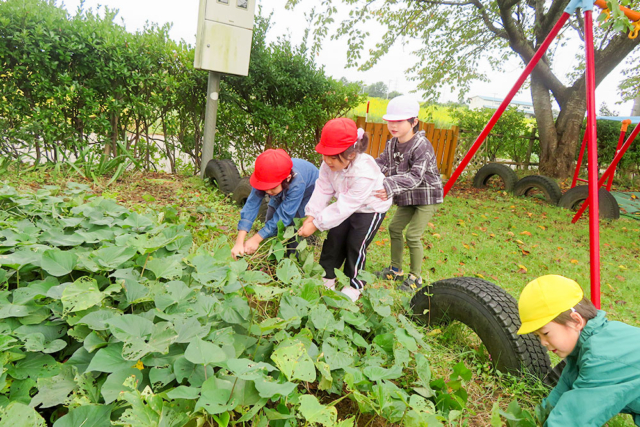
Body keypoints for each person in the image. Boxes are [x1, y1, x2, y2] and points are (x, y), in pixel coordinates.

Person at [517, 275, 640, 426]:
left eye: (546, 333)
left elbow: (574, 418)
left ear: (576, 321)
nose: (543, 342)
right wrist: (535, 418)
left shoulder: (601, 358)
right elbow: (563, 391)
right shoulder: (586, 348)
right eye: (538, 336)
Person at [298, 118, 392, 302]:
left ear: (351, 154)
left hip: (370, 208)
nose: (327, 161)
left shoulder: (364, 171)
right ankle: (327, 276)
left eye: (333, 157)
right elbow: (323, 189)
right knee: (334, 238)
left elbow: (347, 205)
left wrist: (317, 224)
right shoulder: (328, 165)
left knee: (355, 244)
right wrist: (311, 215)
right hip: (345, 204)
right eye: (325, 154)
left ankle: (354, 284)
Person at [373, 95, 443, 291]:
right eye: (390, 121)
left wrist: (387, 185)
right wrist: (365, 173)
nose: (393, 125)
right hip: (407, 195)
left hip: (426, 196)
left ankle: (416, 278)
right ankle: (395, 270)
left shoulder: (422, 145)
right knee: (395, 228)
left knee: (413, 235)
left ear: (414, 121)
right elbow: (381, 163)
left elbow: (415, 176)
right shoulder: (391, 144)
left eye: (399, 121)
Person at [232, 149, 319, 259]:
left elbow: (284, 216)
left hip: (309, 189)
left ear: (287, 179)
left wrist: (256, 239)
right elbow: (251, 205)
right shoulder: (264, 177)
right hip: (281, 186)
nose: (267, 192)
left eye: (271, 188)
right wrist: (239, 242)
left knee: (292, 225)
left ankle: (292, 259)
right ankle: (274, 255)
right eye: (265, 189)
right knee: (271, 219)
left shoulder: (297, 183)